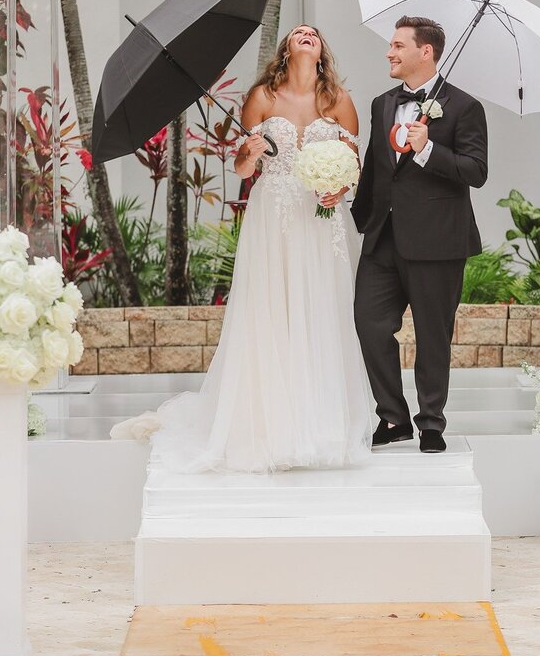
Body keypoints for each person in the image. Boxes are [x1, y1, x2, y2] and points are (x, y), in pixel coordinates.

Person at [145, 24, 372, 473]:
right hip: (276, 214)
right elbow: (245, 166)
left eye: (314, 33)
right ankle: (271, 427)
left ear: (321, 50)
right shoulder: (263, 97)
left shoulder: (339, 100)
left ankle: (324, 426)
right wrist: (248, 150)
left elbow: (356, 164)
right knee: (271, 310)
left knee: (322, 311)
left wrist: (340, 186)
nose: (307, 35)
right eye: (298, 32)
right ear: (287, 50)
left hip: (322, 217)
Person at [351, 15, 488, 454]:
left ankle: (431, 422)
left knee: (432, 336)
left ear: (424, 52)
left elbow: (476, 172)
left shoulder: (465, 107)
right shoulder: (380, 103)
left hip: (438, 240)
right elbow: (376, 164)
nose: (389, 53)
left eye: (397, 45)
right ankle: (392, 417)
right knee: (369, 324)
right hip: (383, 238)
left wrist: (428, 149)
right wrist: (359, 214)